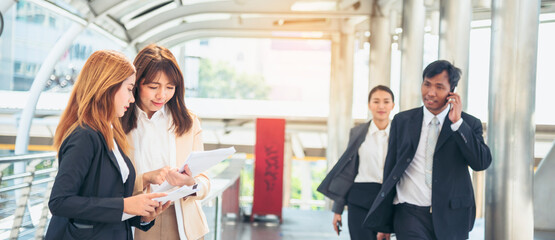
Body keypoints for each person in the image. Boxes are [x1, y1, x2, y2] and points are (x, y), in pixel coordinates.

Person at [46, 50, 171, 240]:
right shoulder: (84, 136)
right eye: (129, 89)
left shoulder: (111, 134)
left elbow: (109, 202)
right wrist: (125, 205)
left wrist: (142, 216)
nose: (132, 98)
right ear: (108, 87)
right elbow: (59, 202)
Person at [364, 60, 492, 240]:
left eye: (439, 87)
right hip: (409, 214)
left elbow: (481, 162)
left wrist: (457, 124)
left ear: (452, 91)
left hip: (452, 215)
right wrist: (386, 222)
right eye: (427, 84)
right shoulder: (402, 121)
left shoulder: (469, 124)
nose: (430, 92)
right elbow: (391, 168)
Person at [121, 44, 210, 240]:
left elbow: (205, 181)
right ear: (136, 84)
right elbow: (113, 181)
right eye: (153, 87)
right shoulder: (119, 121)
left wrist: (191, 184)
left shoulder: (188, 122)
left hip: (183, 222)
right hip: (138, 219)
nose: (162, 95)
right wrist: (146, 178)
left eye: (170, 87)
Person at [317, 85, 395, 240]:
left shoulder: (401, 133)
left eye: (386, 102)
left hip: (388, 198)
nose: (381, 106)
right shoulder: (358, 133)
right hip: (360, 197)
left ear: (392, 105)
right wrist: (337, 210)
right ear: (369, 105)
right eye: (376, 101)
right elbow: (348, 171)